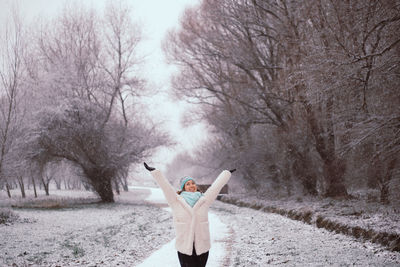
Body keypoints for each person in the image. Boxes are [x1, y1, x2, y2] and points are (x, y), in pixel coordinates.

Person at [143, 162, 236, 267]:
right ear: (183, 188)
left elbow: (215, 188)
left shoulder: (204, 200)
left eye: (193, 183)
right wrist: (155, 172)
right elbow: (166, 187)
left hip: (202, 247)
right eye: (188, 184)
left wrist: (226, 173)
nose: (191, 185)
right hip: (185, 247)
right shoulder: (176, 201)